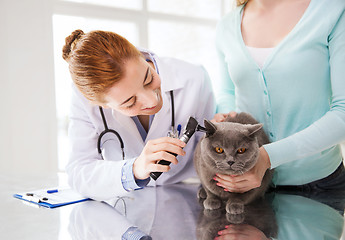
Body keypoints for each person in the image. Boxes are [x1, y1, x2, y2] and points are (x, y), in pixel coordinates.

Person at [62, 29, 215, 201]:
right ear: (101, 105)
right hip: (124, 208)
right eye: (130, 102)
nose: (152, 102)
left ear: (142, 56)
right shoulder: (84, 99)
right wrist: (133, 169)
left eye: (149, 79)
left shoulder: (194, 78)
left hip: (188, 197)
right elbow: (79, 172)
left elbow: (212, 152)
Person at [213, 0, 345, 193]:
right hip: (245, 186)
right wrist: (226, 118)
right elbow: (227, 92)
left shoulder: (332, 10)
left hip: (319, 186)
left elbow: (343, 113)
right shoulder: (226, 26)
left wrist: (268, 157)